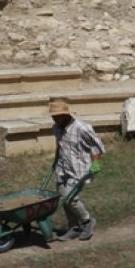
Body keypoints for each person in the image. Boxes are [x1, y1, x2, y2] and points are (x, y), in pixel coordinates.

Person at [48, 98, 104, 241]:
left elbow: (97, 147)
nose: (54, 119)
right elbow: (60, 146)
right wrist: (55, 161)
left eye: (57, 116)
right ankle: (74, 227)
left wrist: (95, 164)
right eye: (53, 116)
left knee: (70, 199)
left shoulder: (82, 128)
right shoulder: (56, 128)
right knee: (63, 198)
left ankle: (87, 221)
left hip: (80, 170)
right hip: (63, 169)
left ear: (66, 114)